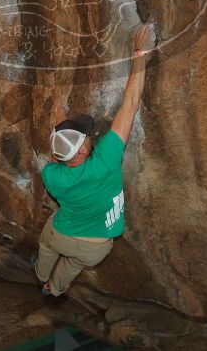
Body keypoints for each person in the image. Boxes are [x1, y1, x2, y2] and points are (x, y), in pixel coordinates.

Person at [35, 23, 153, 298]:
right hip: (95, 248)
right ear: (84, 151)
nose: (89, 136)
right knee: (73, 265)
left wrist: (58, 118)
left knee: (47, 246)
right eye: (85, 136)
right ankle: (53, 289)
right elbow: (131, 103)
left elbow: (61, 151)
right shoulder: (106, 161)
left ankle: (41, 275)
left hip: (62, 235)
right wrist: (140, 51)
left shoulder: (52, 174)